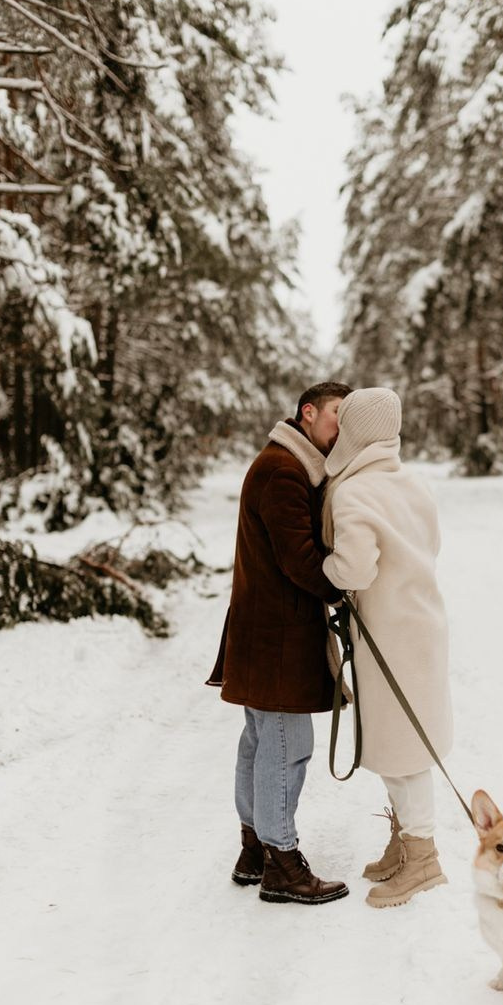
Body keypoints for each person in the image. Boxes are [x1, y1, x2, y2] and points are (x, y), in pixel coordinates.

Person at [209, 381, 352, 905]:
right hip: (279, 637)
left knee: (261, 741)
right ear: (308, 413)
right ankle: (282, 863)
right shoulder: (284, 471)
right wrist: (341, 587)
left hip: (264, 630)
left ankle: (254, 850)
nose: (344, 427)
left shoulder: (286, 465)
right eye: (338, 415)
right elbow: (300, 560)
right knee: (288, 747)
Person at [321, 387, 453, 908]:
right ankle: (404, 842)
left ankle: (423, 859)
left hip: (389, 636)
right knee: (405, 742)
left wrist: (324, 572)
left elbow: (353, 569)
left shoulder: (356, 492)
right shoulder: (413, 483)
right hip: (422, 626)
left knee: (404, 752)